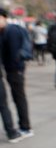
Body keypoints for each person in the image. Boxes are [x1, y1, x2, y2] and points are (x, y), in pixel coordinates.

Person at [0, 8, 33, 138]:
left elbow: (14, 54)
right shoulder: (3, 31)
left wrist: (14, 68)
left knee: (19, 97)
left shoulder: (11, 31)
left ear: (3, 17)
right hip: (9, 69)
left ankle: (25, 127)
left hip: (15, 69)